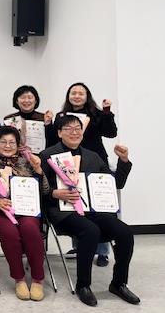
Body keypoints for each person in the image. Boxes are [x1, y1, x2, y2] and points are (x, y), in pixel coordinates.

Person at [40, 114, 139, 307]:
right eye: (68, 129)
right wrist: (54, 193)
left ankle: (119, 283)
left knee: (125, 232)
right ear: (59, 133)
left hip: (92, 210)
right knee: (90, 230)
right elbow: (38, 189)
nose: (74, 132)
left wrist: (124, 160)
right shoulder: (47, 155)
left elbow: (115, 183)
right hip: (62, 211)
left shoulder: (93, 156)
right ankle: (83, 285)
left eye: (77, 128)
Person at [48, 82, 118, 266]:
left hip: (94, 162)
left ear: (87, 97)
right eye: (73, 93)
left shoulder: (96, 114)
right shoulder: (62, 116)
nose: (77, 96)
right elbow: (54, 138)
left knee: (98, 205)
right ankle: (81, 245)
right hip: (69, 162)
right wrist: (48, 124)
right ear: (68, 96)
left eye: (81, 93)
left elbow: (111, 133)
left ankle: (102, 251)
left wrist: (107, 112)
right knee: (75, 202)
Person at [0, 126, 49, 301]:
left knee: (31, 230)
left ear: (18, 145)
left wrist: (39, 170)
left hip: (26, 209)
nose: (7, 146)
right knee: (9, 233)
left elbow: (45, 190)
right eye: (3, 142)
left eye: (12, 142)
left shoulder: (28, 162)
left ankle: (38, 279)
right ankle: (19, 279)